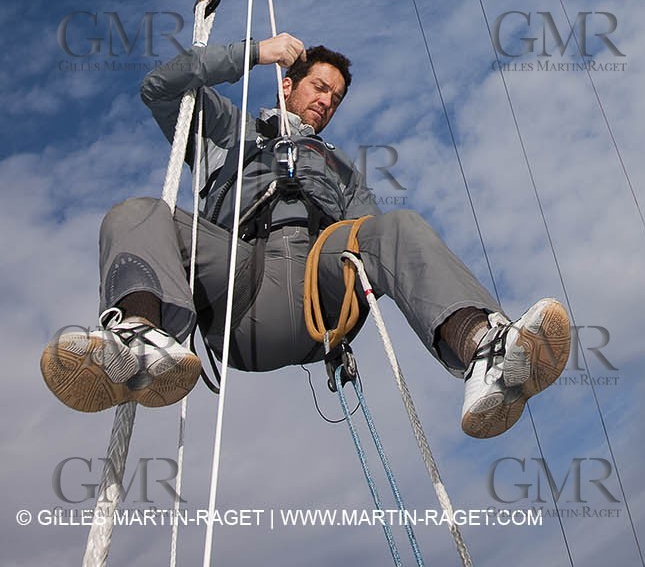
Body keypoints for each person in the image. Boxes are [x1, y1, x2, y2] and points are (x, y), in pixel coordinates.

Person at [41, 34, 569, 438]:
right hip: (242, 289)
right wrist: (253, 52)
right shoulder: (230, 133)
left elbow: (381, 251)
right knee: (136, 212)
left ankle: (485, 352)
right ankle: (140, 342)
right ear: (288, 84)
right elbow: (158, 86)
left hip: (321, 298)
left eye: (335, 98)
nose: (326, 101)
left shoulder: (340, 171)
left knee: (398, 226)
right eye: (319, 87)